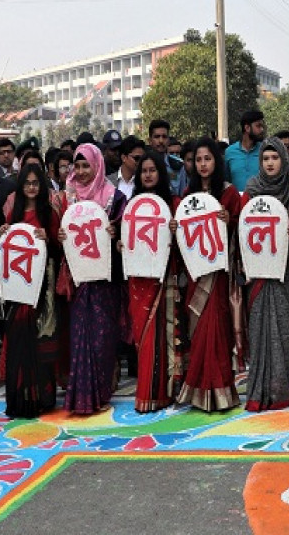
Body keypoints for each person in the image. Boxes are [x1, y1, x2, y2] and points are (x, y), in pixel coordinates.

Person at [59, 144, 127, 414]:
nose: (81, 171)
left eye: (86, 165)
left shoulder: (115, 198)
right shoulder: (67, 198)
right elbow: (55, 232)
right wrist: (59, 236)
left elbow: (126, 239)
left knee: (102, 340)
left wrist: (115, 233)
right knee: (79, 338)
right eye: (77, 166)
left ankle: (101, 393)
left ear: (97, 166)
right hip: (78, 282)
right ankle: (81, 397)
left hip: (105, 283)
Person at [177, 137, 243, 412]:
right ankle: (198, 391)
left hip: (219, 274)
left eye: (208, 159)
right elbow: (183, 237)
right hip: (196, 272)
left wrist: (231, 222)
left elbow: (243, 231)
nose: (203, 164)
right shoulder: (187, 197)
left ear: (217, 161)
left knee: (217, 328)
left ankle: (221, 391)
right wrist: (175, 228)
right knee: (198, 329)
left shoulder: (229, 194)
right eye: (198, 160)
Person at [240, 138, 289, 411]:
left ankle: (280, 393)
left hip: (287, 273)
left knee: (285, 335)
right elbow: (240, 230)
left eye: (275, 158)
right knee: (259, 334)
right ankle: (258, 392)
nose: (270, 163)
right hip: (258, 275)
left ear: (284, 160)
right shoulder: (251, 192)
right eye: (265, 158)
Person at [0, 164, 64, 417]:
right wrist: (3, 233)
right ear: (21, 186)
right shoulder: (13, 214)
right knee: (18, 341)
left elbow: (59, 248)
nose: (32, 187)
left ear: (42, 185)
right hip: (18, 288)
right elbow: (6, 250)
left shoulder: (49, 213)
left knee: (42, 341)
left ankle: (43, 398)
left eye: (36, 183)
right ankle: (20, 400)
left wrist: (49, 238)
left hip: (43, 287)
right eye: (27, 183)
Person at [123, 152, 182, 412]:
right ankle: (147, 392)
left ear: (160, 173)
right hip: (139, 280)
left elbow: (182, 244)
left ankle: (165, 392)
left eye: (152, 170)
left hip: (163, 275)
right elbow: (125, 239)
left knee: (165, 334)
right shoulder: (132, 204)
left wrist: (177, 231)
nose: (148, 175)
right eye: (144, 171)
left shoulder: (173, 204)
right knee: (144, 336)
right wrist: (119, 242)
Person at [225, 110, 266, 192]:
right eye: (258, 126)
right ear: (247, 128)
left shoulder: (264, 150)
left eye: (262, 126)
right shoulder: (230, 152)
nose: (262, 130)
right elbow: (226, 181)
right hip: (236, 199)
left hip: (259, 199)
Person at [147, 120, 188, 196]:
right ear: (150, 141)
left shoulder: (178, 165)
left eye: (164, 137)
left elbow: (182, 196)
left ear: (168, 140)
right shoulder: (143, 166)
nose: (161, 141)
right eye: (157, 137)